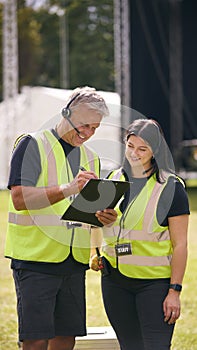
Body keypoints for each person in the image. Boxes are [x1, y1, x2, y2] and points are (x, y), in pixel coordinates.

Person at [5, 86, 117, 350]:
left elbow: (89, 214)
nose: (88, 134)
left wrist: (104, 216)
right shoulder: (32, 144)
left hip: (73, 262)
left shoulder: (92, 158)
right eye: (84, 126)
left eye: (95, 128)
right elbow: (19, 199)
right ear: (66, 113)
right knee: (35, 340)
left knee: (67, 337)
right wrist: (69, 188)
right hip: (35, 259)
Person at [90, 118, 190, 350]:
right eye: (130, 145)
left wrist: (174, 291)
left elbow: (181, 245)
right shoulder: (113, 180)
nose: (134, 153)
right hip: (115, 282)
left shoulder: (171, 188)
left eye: (142, 149)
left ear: (155, 151)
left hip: (154, 285)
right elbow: (99, 226)